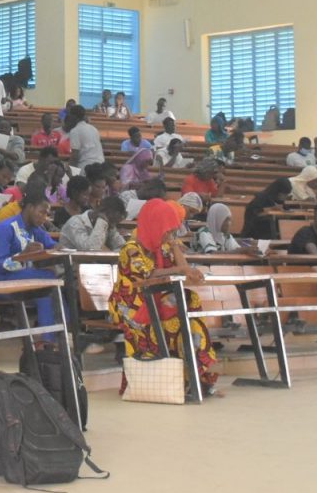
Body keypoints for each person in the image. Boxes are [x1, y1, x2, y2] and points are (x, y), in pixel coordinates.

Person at [108, 194, 217, 397]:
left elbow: (181, 267)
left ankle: (194, 375)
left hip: (156, 299)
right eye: (167, 229)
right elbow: (147, 275)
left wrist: (174, 244)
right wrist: (180, 270)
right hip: (132, 304)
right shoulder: (130, 249)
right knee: (171, 323)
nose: (170, 234)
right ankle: (166, 382)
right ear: (154, 224)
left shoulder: (163, 247)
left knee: (189, 309)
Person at [0, 185, 60, 328]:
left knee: (55, 279)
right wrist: (23, 255)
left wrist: (57, 248)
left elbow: (53, 246)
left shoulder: (36, 229)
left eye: (47, 214)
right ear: (30, 207)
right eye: (41, 213)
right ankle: (50, 337)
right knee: (47, 279)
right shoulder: (5, 228)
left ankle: (55, 335)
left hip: (21, 277)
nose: (44, 218)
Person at [240, 173, 293, 240]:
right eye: (284, 194)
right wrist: (271, 209)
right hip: (256, 231)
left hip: (272, 230)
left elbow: (283, 209)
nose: (285, 197)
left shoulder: (278, 199)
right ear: (278, 191)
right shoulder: (262, 197)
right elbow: (252, 212)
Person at [64, 102, 104, 170]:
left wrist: (69, 174)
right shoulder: (94, 128)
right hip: (101, 165)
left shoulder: (75, 131)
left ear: (74, 116)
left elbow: (74, 157)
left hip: (86, 167)